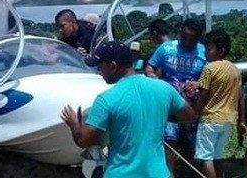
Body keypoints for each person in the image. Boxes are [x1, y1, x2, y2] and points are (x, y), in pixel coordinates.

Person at [61, 41, 195, 178]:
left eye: (100, 66)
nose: (99, 71)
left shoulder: (106, 99)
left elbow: (83, 140)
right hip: (158, 173)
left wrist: (74, 124)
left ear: (112, 66)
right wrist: (159, 114)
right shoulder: (164, 88)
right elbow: (189, 115)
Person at [145, 18, 207, 177]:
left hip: (192, 107)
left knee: (190, 146)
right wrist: (151, 76)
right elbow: (150, 66)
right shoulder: (166, 48)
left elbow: (211, 77)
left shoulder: (204, 52)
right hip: (168, 107)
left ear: (199, 37)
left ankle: (189, 174)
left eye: (191, 39)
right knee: (169, 142)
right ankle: (169, 175)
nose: (186, 42)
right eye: (184, 37)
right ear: (180, 31)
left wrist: (198, 83)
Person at [188, 29, 247, 178]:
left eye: (208, 50)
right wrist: (242, 121)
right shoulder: (235, 70)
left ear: (221, 51)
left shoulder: (209, 68)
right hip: (228, 120)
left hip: (210, 118)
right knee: (218, 156)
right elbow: (241, 97)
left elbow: (203, 95)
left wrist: (193, 114)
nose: (205, 53)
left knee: (205, 157)